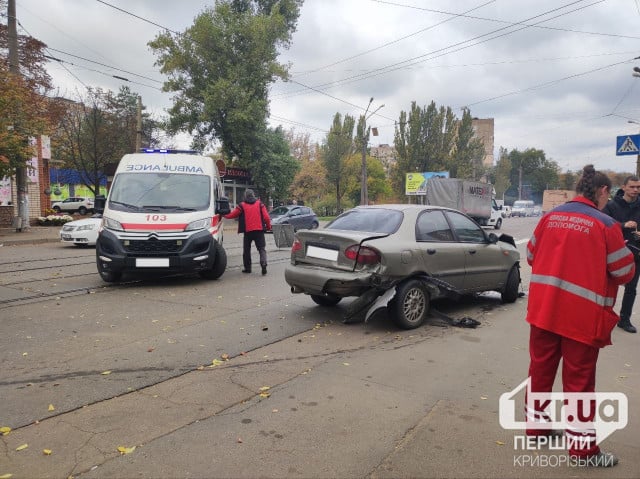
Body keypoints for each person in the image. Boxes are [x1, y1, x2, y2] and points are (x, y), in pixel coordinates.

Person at [525, 165, 635, 467]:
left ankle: (537, 429)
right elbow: (625, 273)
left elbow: (532, 256)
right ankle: (583, 451)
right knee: (580, 384)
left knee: (540, 371)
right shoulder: (606, 225)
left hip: (544, 311)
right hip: (581, 318)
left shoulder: (549, 217)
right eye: (608, 194)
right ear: (602, 192)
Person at [602, 175, 640, 333]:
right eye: (632, 187)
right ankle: (602, 316)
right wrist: (623, 225)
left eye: (638, 187)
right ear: (623, 187)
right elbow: (602, 223)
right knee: (606, 285)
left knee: (631, 288)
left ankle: (624, 319)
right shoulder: (611, 205)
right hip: (613, 253)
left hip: (635, 252)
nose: (635, 190)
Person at [222, 189, 271, 275]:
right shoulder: (260, 204)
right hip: (259, 231)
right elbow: (266, 217)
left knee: (247, 250)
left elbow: (233, 214)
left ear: (245, 196)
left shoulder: (242, 205)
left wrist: (223, 215)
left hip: (248, 232)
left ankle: (248, 268)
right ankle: (263, 263)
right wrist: (268, 226)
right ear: (253, 195)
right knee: (261, 249)